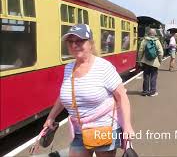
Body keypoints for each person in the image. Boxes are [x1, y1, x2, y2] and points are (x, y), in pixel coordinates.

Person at [43, 24, 134, 157]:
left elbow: (122, 97)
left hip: (103, 129)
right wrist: (51, 117)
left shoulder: (103, 67)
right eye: (70, 41)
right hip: (79, 131)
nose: (74, 45)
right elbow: (65, 96)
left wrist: (127, 126)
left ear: (90, 43)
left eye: (79, 41)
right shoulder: (68, 68)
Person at [138, 28, 164, 97]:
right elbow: (161, 52)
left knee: (146, 77)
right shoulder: (157, 41)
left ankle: (145, 92)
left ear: (148, 33)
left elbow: (140, 51)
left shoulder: (144, 40)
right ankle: (152, 92)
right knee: (153, 77)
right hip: (154, 63)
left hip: (145, 62)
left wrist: (139, 60)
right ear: (154, 34)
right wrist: (160, 60)